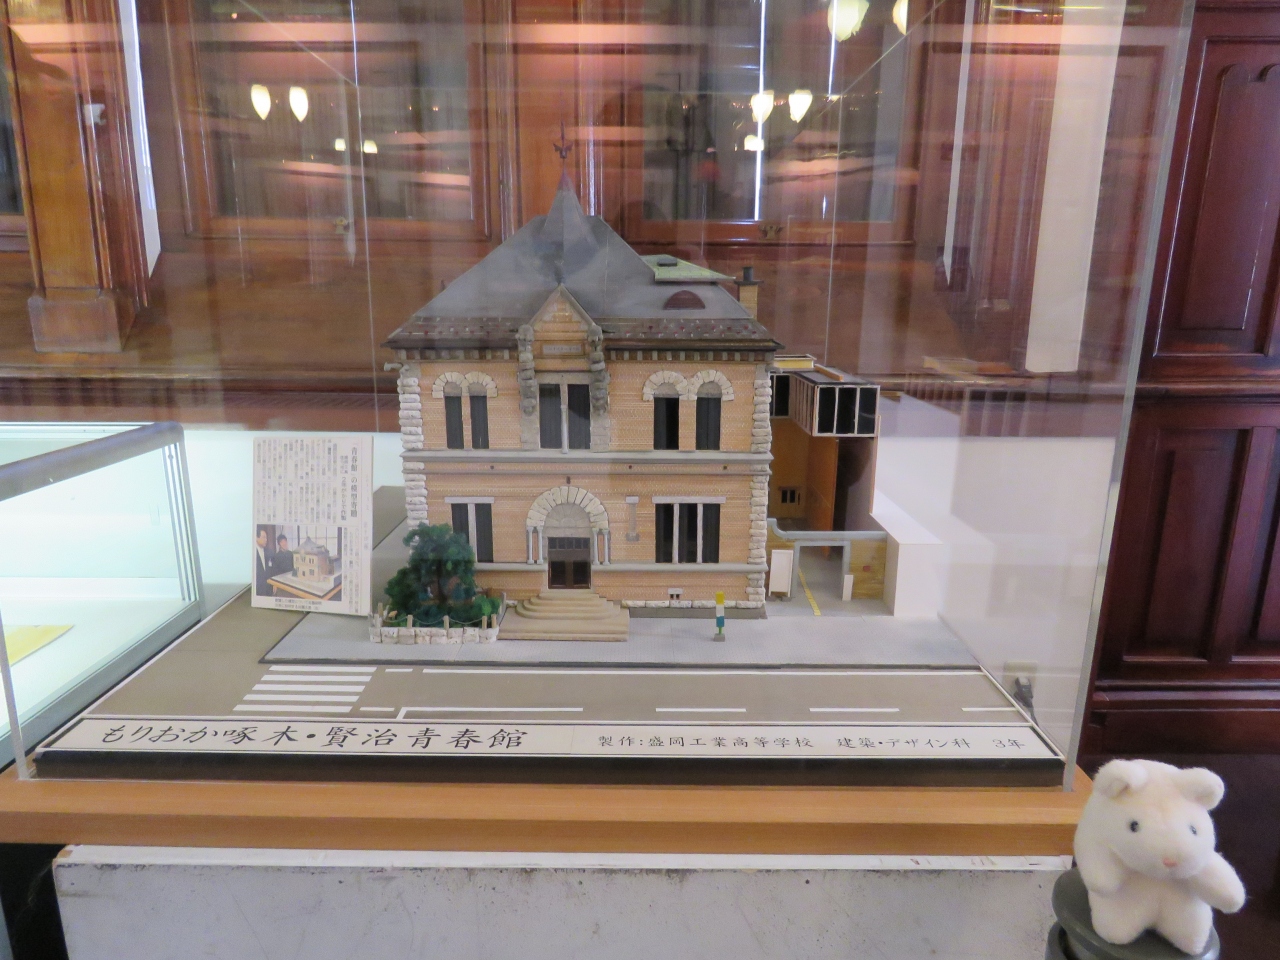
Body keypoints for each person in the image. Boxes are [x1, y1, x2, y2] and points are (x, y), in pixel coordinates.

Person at [254, 526, 272, 596]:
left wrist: (274, 584)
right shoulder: (252, 552)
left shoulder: (269, 552)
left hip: (268, 587)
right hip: (257, 589)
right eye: (264, 537)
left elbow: (271, 570)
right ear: (256, 538)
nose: (266, 540)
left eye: (266, 538)